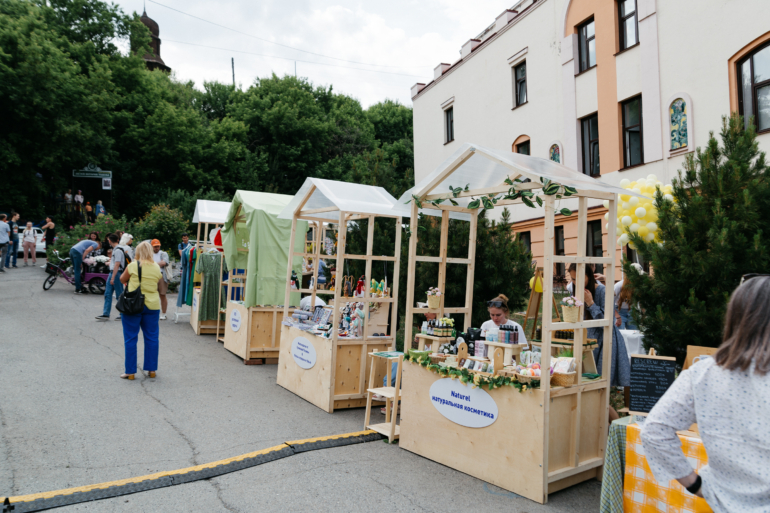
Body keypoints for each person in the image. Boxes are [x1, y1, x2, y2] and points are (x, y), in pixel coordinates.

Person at [641, 276, 770, 511]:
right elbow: (655, 431)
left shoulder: (703, 373)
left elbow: (654, 430)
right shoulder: (703, 372)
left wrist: (694, 484)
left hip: (724, 501)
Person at [567, 264, 629, 413]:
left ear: (588, 275)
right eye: (574, 279)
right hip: (586, 342)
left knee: (599, 392)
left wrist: (590, 303)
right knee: (587, 388)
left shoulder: (602, 291)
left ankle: (608, 428)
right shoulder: (576, 292)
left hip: (603, 342)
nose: (576, 282)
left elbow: (606, 324)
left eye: (580, 278)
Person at [119, 241, 162, 380]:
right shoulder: (156, 267)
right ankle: (152, 369)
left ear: (137, 252)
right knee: (152, 337)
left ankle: (130, 372)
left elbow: (122, 279)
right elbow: (159, 285)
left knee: (131, 337)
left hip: (133, 305)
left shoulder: (133, 265)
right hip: (153, 305)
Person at [96, 234, 124, 321]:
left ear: (109, 241)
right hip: (113, 273)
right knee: (108, 293)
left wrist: (113, 277)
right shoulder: (116, 249)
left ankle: (122, 313)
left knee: (119, 294)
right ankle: (106, 313)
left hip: (116, 273)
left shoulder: (118, 250)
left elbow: (117, 264)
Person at [614, 262, 644, 330]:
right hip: (619, 311)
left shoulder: (639, 285)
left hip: (632, 311)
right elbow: (609, 302)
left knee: (634, 334)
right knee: (619, 334)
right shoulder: (618, 285)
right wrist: (617, 316)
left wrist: (643, 316)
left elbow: (642, 302)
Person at [151, 239, 170, 321]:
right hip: (152, 276)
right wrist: (158, 264)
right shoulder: (149, 254)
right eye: (155, 246)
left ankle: (164, 313)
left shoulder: (163, 253)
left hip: (162, 276)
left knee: (162, 295)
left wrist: (152, 264)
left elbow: (164, 263)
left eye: (158, 246)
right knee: (151, 295)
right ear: (152, 246)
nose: (157, 248)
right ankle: (152, 313)